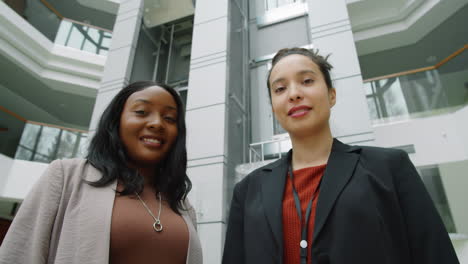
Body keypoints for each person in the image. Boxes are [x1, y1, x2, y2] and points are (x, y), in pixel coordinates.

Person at [222, 48, 459, 264]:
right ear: (274, 107)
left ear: (331, 95)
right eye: (280, 89)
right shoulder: (248, 191)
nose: (293, 94)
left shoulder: (388, 168)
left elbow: (435, 253)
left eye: (307, 81)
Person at [0, 81, 203, 264]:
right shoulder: (66, 176)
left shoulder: (183, 205)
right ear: (116, 122)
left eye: (169, 118)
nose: (157, 123)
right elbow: (18, 255)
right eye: (141, 112)